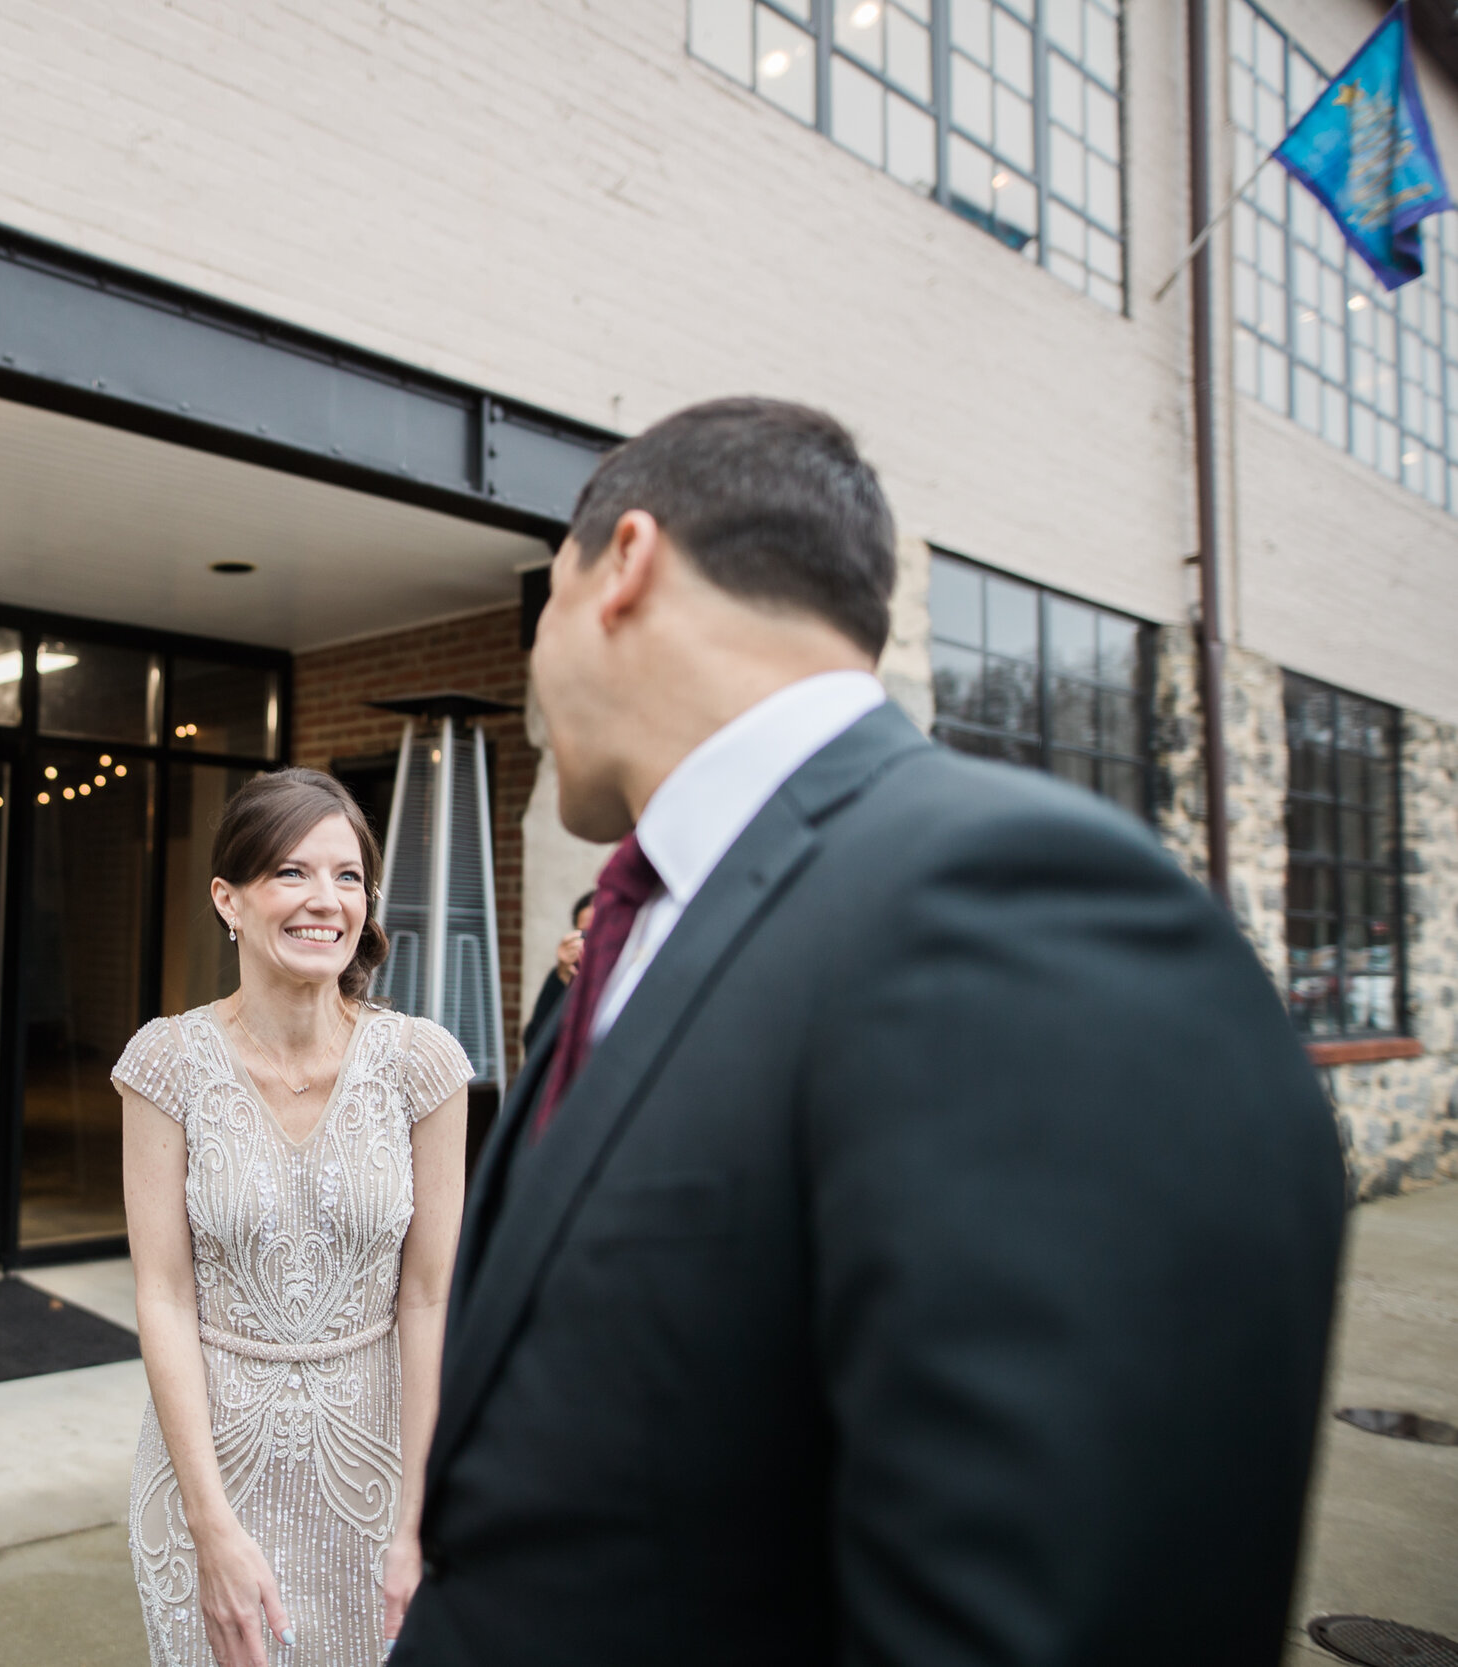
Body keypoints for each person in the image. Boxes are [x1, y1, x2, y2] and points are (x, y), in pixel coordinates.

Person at [395, 398, 1345, 1664]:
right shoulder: (618, 943)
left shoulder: (1010, 907)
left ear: (623, 564)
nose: (530, 672)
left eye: (544, 603)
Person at [117, 767, 470, 1667]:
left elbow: (429, 1299)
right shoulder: (166, 1065)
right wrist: (210, 1526)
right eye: (291, 872)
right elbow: (162, 1297)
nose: (327, 900)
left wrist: (418, 1513)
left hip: (375, 1477)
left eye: (348, 875)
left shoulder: (421, 1065)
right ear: (227, 899)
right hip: (211, 1471)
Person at [520, 891, 596, 1052]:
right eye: (585, 934)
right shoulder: (565, 974)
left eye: (598, 931)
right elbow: (534, 1045)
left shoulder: (627, 977)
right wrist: (563, 977)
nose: (593, 941)